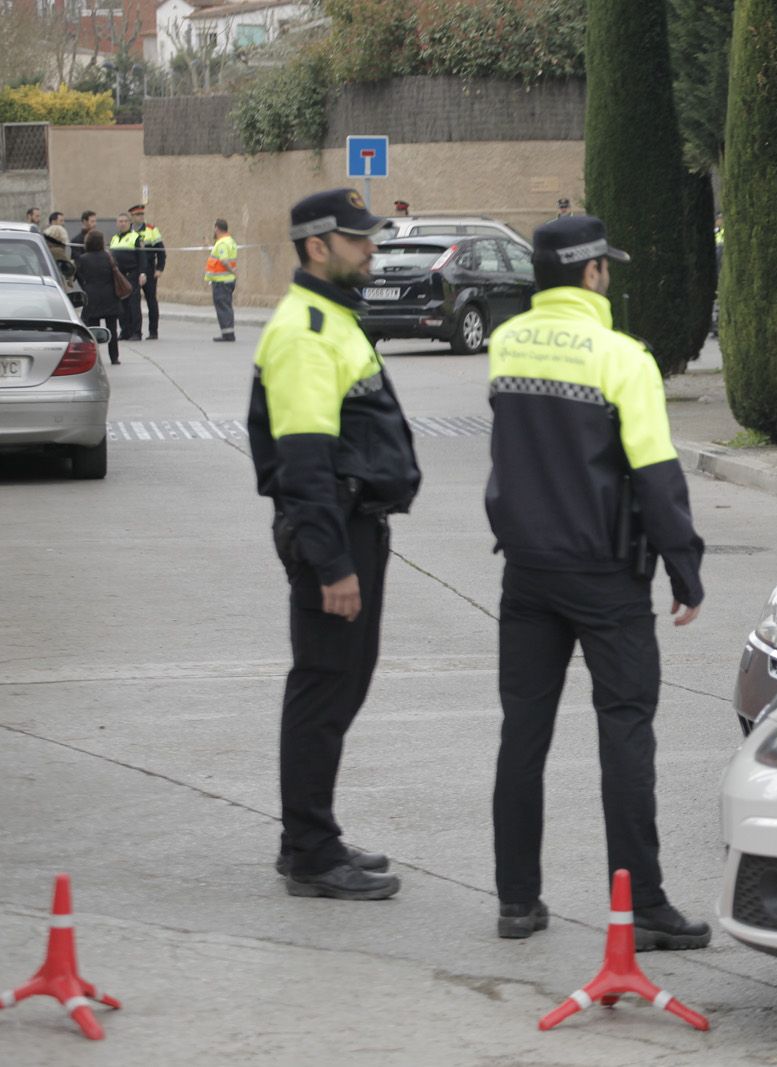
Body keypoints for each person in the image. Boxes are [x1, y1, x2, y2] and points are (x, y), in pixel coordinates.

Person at [486, 214, 710, 948]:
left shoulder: (506, 343)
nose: (609, 274)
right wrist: (684, 566)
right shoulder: (623, 357)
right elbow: (654, 471)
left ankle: (517, 901)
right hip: (607, 577)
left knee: (523, 733)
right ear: (590, 273)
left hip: (527, 572)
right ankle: (642, 904)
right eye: (605, 266)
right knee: (625, 733)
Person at [246, 188, 418, 901]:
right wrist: (333, 561)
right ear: (317, 247)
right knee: (323, 686)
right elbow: (305, 462)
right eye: (357, 239)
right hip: (334, 531)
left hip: (355, 526)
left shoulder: (336, 320)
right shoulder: (306, 330)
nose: (371, 247)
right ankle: (312, 853)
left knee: (341, 682)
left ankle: (308, 835)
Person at [74, 231, 122, 366]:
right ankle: (114, 357)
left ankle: (94, 357)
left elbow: (79, 275)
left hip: (92, 296)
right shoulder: (109, 257)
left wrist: (86, 286)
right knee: (112, 328)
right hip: (110, 295)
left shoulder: (83, 259)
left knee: (92, 329)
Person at [108, 212, 147, 341]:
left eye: (125, 221)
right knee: (121, 305)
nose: (122, 223)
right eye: (120, 221)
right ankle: (125, 331)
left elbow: (142, 257)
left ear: (130, 223)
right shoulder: (114, 238)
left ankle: (136, 332)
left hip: (132, 274)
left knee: (133, 304)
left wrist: (142, 273)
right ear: (117, 223)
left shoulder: (136, 237)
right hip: (119, 276)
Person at [130, 204, 165, 340]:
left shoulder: (151, 229)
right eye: (138, 215)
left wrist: (159, 268)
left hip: (149, 270)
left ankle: (153, 331)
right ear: (132, 217)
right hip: (134, 270)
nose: (141, 217)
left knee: (151, 300)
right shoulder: (129, 231)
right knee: (133, 301)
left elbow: (161, 251)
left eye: (142, 214)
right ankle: (136, 331)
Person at [206, 219, 239, 342]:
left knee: (223, 306)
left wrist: (232, 270)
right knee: (226, 306)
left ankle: (228, 334)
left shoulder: (222, 243)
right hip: (227, 280)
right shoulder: (230, 241)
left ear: (217, 228)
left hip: (222, 281)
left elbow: (224, 260)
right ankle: (228, 332)